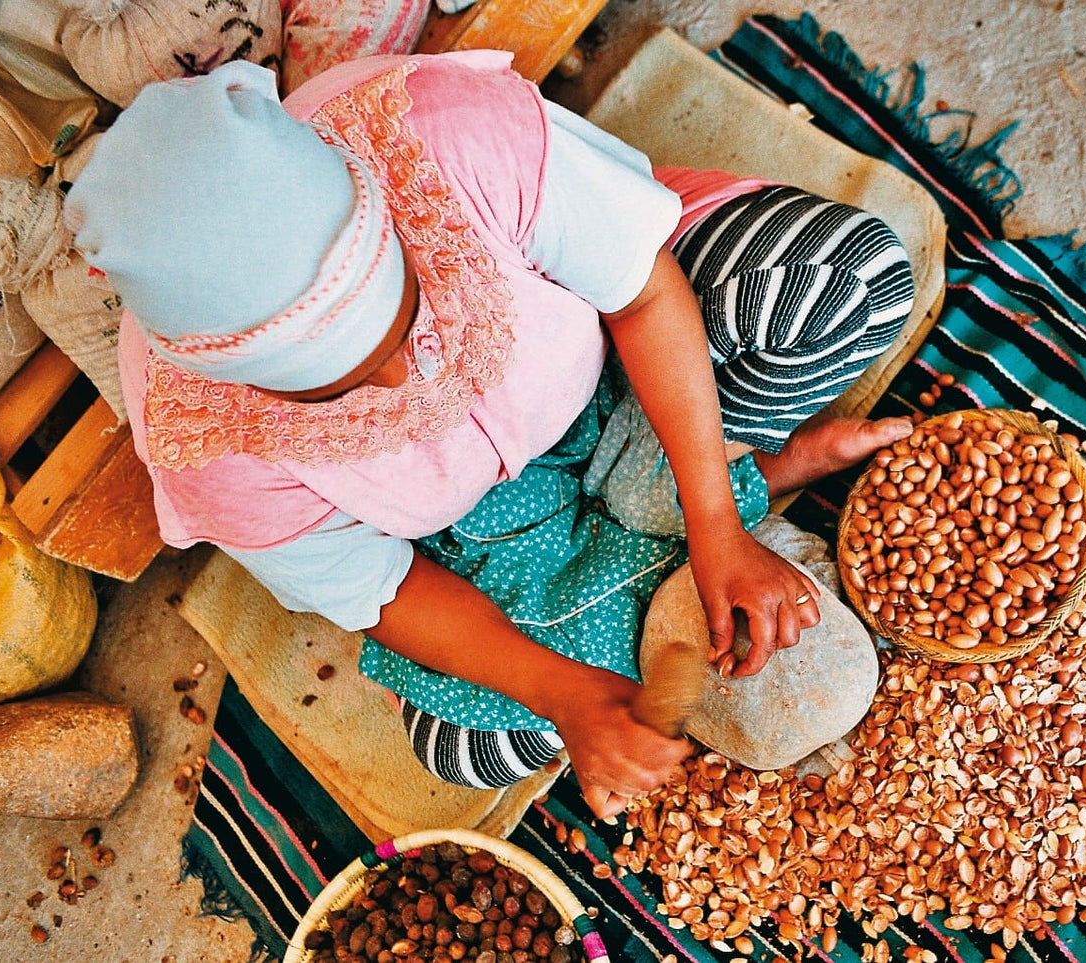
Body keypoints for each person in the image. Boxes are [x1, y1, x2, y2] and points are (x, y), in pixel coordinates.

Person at [66, 51, 917, 818]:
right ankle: (721, 505)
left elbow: (646, 296)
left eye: (402, 323)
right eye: (346, 384)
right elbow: (384, 587)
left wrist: (715, 526)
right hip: (493, 536)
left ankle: (725, 485)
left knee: (843, 276)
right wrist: (565, 694)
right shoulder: (206, 443)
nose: (408, 382)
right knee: (468, 751)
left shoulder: (441, 134)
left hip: (620, 354)